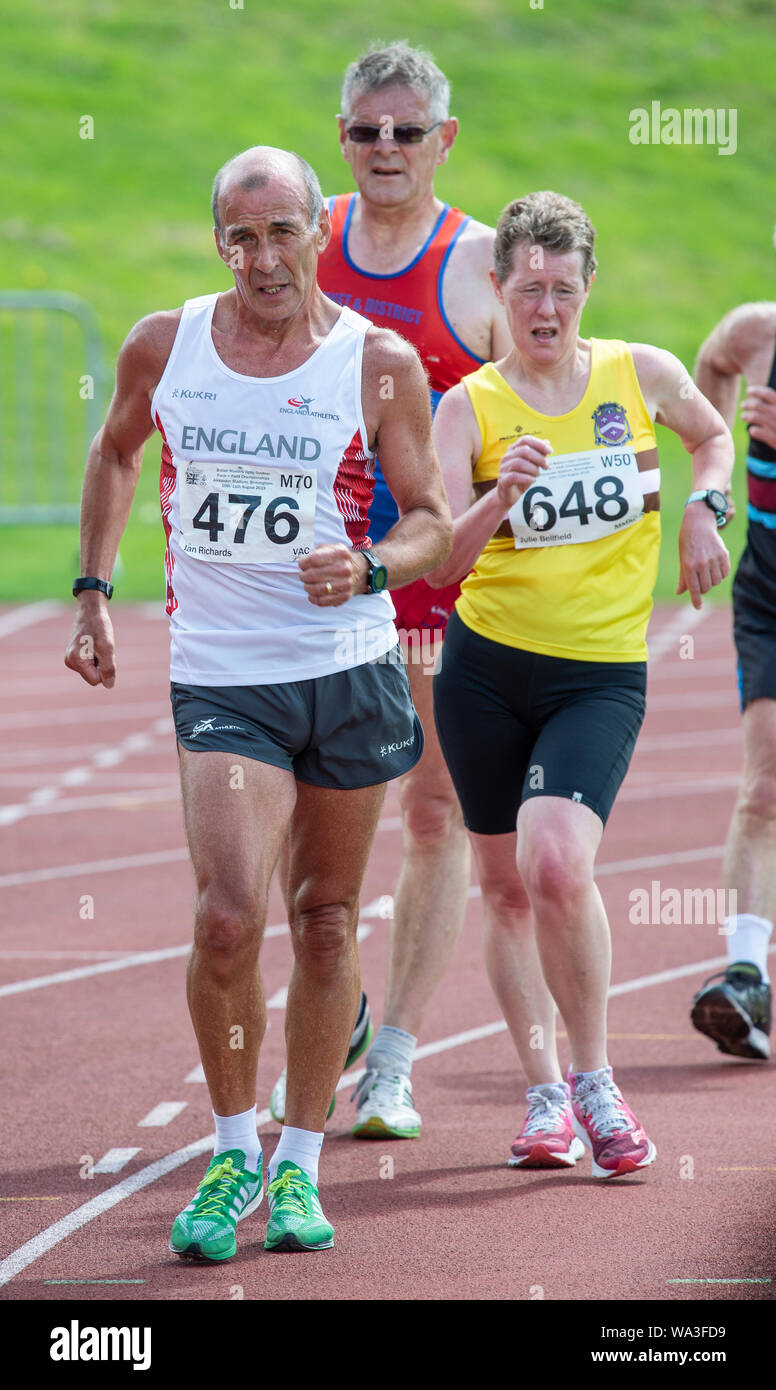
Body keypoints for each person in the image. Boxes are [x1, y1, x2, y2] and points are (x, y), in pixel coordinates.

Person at [64, 145, 452, 1257]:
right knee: (228, 913)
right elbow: (112, 449)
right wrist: (93, 590)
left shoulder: (376, 364)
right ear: (216, 241)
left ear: (318, 230)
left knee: (325, 917)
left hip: (346, 667)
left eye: (282, 230)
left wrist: (375, 563)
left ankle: (297, 1161)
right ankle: (231, 1145)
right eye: (241, 235)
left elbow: (428, 512)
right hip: (225, 674)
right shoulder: (166, 342)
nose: (262, 256)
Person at [428, 190, 733, 1176]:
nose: (545, 307)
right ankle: (542, 1093)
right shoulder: (464, 407)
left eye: (562, 287)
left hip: (596, 674)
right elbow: (438, 562)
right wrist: (497, 494)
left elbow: (712, 435)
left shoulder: (635, 374)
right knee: (503, 886)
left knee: (556, 862)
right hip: (482, 669)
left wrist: (703, 509)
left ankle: (597, 1082)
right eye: (528, 288)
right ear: (498, 289)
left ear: (586, 287)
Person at [268, 41, 512, 1139]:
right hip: (311, 587)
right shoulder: (294, 242)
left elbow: (533, 409)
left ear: (441, 141)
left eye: (405, 130)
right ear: (340, 138)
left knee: (433, 813)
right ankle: (347, 999)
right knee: (287, 816)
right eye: (365, 130)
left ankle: (395, 1060)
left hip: (436, 588)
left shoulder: (477, 267)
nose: (384, 148)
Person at [689, 287, 776, 1059]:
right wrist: (710, 487)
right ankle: (747, 974)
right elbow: (711, 364)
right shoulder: (756, 331)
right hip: (769, 587)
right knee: (764, 784)